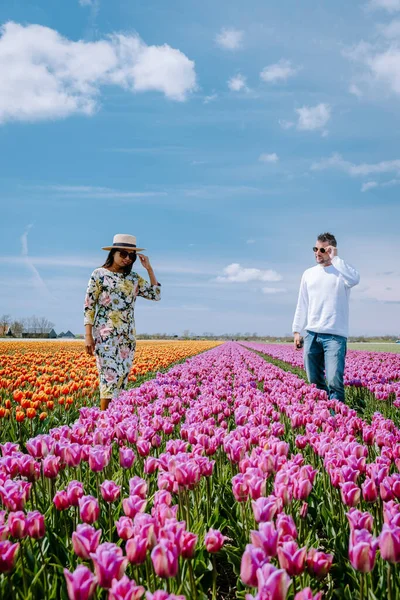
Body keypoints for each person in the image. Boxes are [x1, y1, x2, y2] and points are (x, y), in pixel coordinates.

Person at [84, 233, 161, 410]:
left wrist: (149, 269)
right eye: (123, 254)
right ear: (113, 253)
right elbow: (89, 305)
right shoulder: (99, 275)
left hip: (127, 337)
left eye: (131, 255)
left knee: (121, 381)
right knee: (108, 380)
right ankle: (104, 421)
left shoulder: (133, 278)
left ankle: (116, 423)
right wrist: (88, 336)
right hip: (105, 336)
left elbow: (155, 295)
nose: (128, 258)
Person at [292, 232, 360, 402]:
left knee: (334, 381)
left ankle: (338, 420)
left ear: (330, 250)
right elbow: (302, 303)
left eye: (322, 249)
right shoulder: (308, 273)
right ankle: (324, 417)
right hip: (311, 334)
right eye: (315, 248)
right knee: (314, 381)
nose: (317, 252)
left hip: (335, 336)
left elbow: (355, 279)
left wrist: (336, 259)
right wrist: (296, 330)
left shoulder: (342, 273)